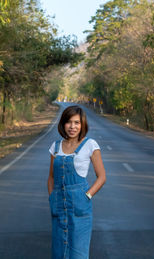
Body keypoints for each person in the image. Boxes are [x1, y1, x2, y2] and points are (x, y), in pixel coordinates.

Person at [47, 105, 106, 259]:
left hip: (80, 204)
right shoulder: (55, 147)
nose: (72, 127)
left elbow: (102, 177)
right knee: (59, 251)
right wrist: (52, 197)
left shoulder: (90, 145)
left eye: (77, 123)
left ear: (82, 125)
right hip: (59, 204)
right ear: (63, 124)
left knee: (78, 252)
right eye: (69, 122)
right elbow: (51, 177)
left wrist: (87, 196)